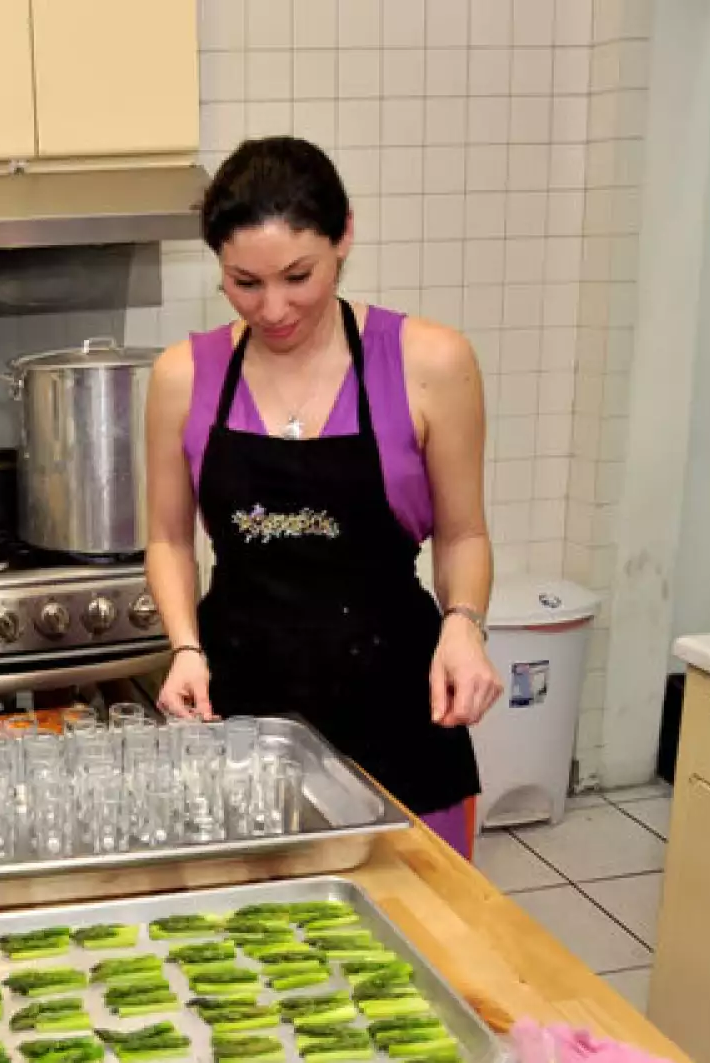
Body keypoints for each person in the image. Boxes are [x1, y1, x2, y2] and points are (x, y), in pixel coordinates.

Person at [145, 137, 503, 858]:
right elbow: (168, 537)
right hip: (239, 705)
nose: (273, 308)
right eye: (244, 282)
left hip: (398, 703)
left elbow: (464, 534)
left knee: (419, 940)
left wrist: (464, 622)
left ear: (344, 235)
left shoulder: (431, 362)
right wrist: (184, 646)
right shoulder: (184, 374)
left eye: (298, 276)